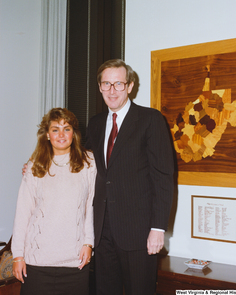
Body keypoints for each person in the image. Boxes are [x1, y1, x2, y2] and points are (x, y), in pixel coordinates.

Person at [85, 59, 174, 295]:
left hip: (139, 232)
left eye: (118, 84)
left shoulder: (150, 120)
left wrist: (158, 229)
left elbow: (163, 177)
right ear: (100, 87)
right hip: (102, 231)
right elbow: (79, 162)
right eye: (106, 84)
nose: (112, 91)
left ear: (130, 86)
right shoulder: (94, 124)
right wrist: (36, 165)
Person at [12, 108, 96, 295]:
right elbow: (23, 213)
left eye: (66, 128)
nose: (61, 134)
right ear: (47, 135)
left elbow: (89, 207)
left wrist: (88, 243)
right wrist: (17, 255)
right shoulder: (35, 166)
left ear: (74, 133)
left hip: (75, 263)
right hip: (37, 263)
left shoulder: (89, 163)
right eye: (55, 129)